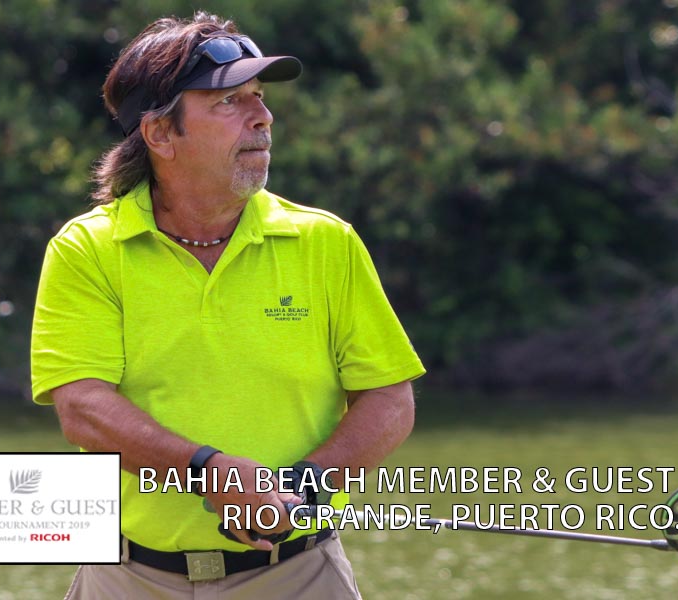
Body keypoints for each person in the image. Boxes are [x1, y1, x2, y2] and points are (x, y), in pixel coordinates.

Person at [30, 11, 425, 600]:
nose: (262, 116)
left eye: (259, 96)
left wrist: (306, 486)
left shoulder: (327, 242)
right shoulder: (86, 249)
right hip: (127, 578)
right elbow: (83, 410)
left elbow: (389, 398)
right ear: (160, 135)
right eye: (229, 101)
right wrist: (210, 471)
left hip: (299, 574)